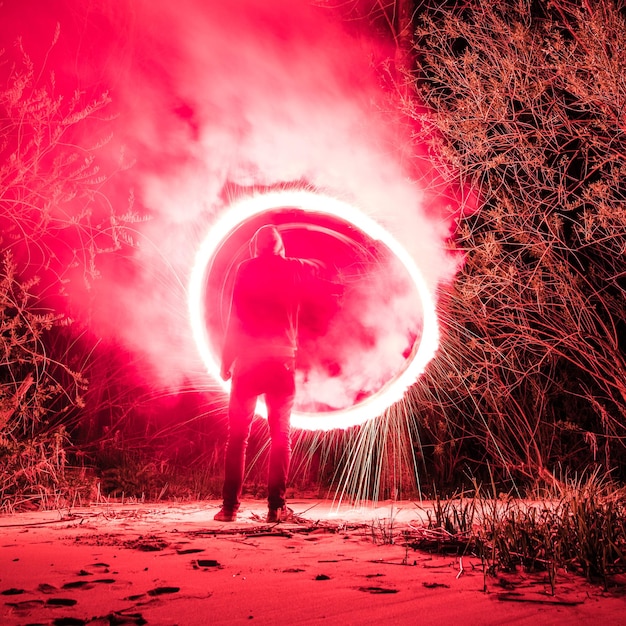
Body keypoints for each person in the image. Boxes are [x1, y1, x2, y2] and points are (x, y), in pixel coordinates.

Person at [214, 225, 323, 523]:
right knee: (280, 436)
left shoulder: (245, 269)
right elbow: (320, 267)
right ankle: (276, 507)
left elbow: (234, 316)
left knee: (237, 437)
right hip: (281, 362)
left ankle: (229, 509)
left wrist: (227, 358)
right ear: (280, 247)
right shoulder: (293, 268)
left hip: (248, 361)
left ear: (254, 248)